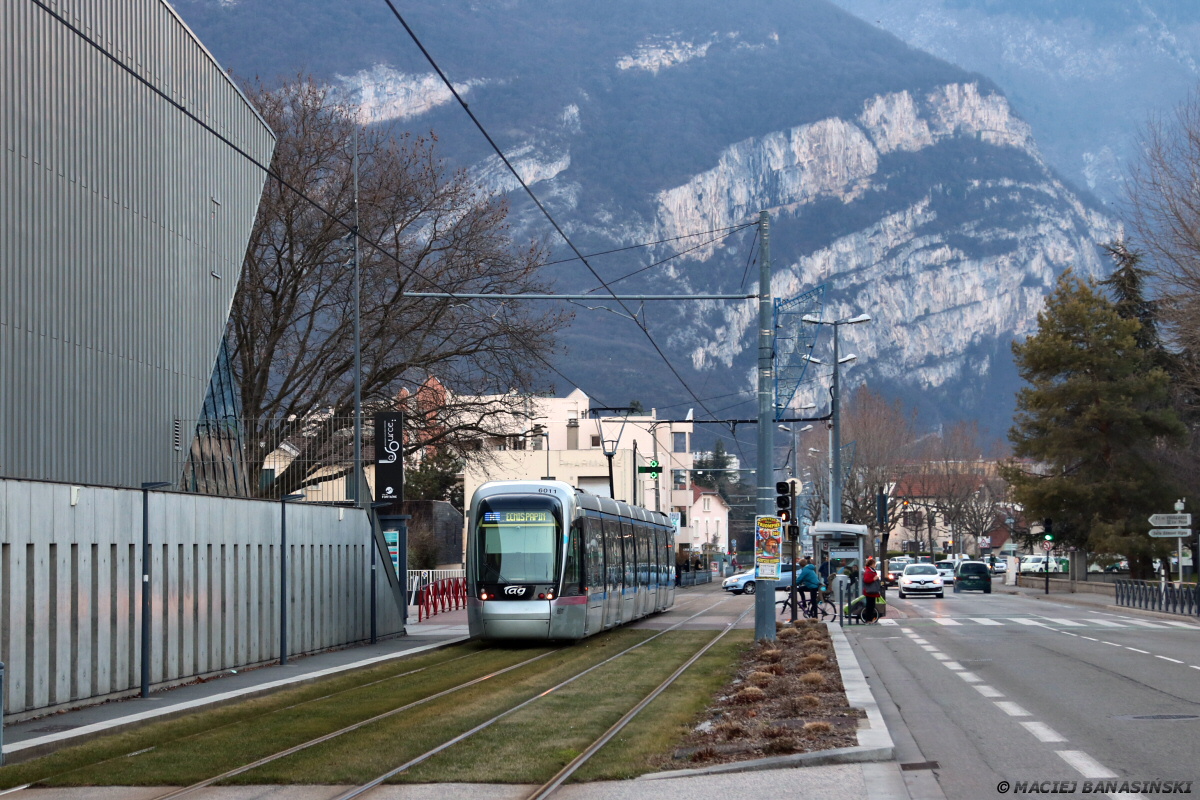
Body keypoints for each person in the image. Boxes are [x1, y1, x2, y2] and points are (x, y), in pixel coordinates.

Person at [862, 557, 882, 624]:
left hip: (871, 591)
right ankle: (868, 620)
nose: (875, 565)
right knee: (870, 606)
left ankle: (870, 619)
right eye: (874, 563)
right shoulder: (869, 571)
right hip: (870, 591)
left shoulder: (870, 570)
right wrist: (874, 579)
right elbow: (866, 580)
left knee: (871, 605)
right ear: (871, 564)